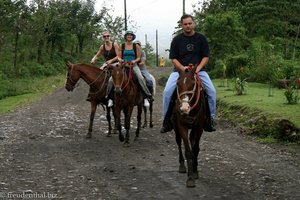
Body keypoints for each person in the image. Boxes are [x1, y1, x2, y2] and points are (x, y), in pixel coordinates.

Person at [160, 14, 216, 133]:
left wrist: (198, 68)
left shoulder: (201, 38)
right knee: (167, 92)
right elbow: (174, 58)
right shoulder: (177, 40)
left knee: (211, 91)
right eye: (185, 24)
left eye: (190, 23)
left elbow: (206, 56)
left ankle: (210, 120)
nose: (188, 26)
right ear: (182, 25)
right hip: (180, 71)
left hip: (198, 71)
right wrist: (182, 68)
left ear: (193, 23)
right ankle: (166, 121)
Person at [105, 30, 153, 107]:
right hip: (123, 66)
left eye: (131, 35)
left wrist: (134, 61)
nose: (129, 36)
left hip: (133, 65)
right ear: (126, 37)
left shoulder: (136, 46)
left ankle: (146, 96)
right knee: (111, 79)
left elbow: (138, 58)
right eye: (128, 35)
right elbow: (119, 57)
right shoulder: (122, 46)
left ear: (132, 37)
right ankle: (109, 97)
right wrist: (122, 61)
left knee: (140, 78)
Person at [88, 31, 119, 103]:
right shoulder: (102, 47)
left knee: (114, 78)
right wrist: (94, 59)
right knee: (96, 76)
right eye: (104, 36)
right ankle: (92, 94)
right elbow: (97, 55)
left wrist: (111, 61)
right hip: (106, 64)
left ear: (109, 37)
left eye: (107, 36)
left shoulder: (115, 44)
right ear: (103, 38)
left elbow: (118, 56)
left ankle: (113, 95)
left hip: (115, 64)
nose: (106, 37)